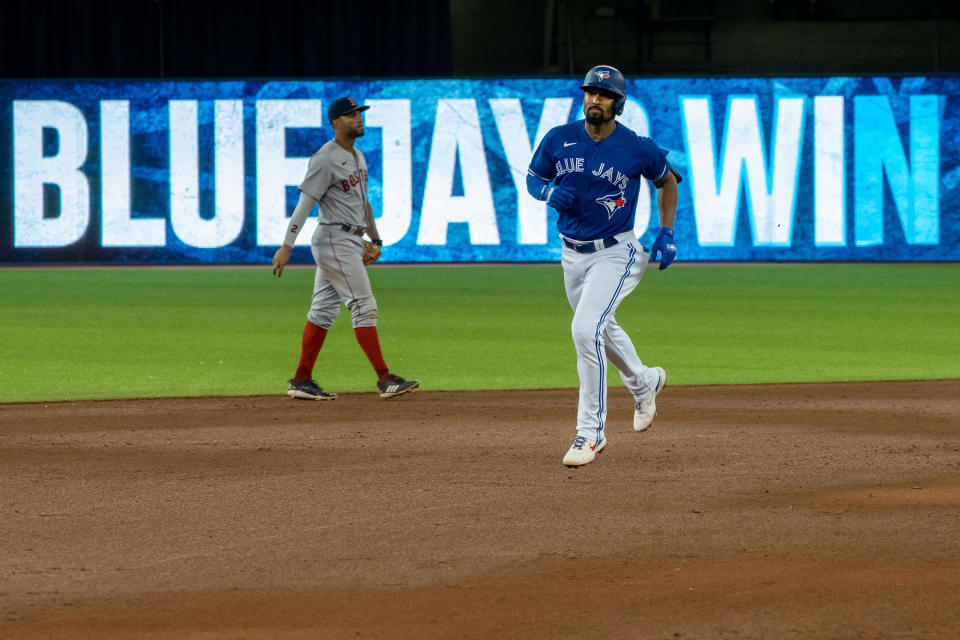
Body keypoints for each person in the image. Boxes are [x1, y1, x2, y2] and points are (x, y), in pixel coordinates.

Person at [526, 65, 679, 466]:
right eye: (591, 92)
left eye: (605, 94)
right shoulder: (559, 138)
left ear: (619, 103)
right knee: (601, 328)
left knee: (584, 328)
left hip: (617, 251)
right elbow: (532, 178)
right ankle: (645, 382)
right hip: (571, 253)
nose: (595, 99)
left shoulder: (636, 146)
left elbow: (668, 180)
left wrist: (666, 231)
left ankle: (589, 434)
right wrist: (548, 192)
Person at [271, 96, 419, 400]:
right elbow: (304, 205)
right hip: (333, 239)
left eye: (360, 114)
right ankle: (385, 379)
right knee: (364, 306)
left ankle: (301, 380)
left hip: (349, 240)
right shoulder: (324, 159)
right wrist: (287, 246)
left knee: (322, 311)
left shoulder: (358, 156)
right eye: (352, 115)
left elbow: (363, 203)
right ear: (337, 122)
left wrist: (374, 240)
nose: (359, 118)